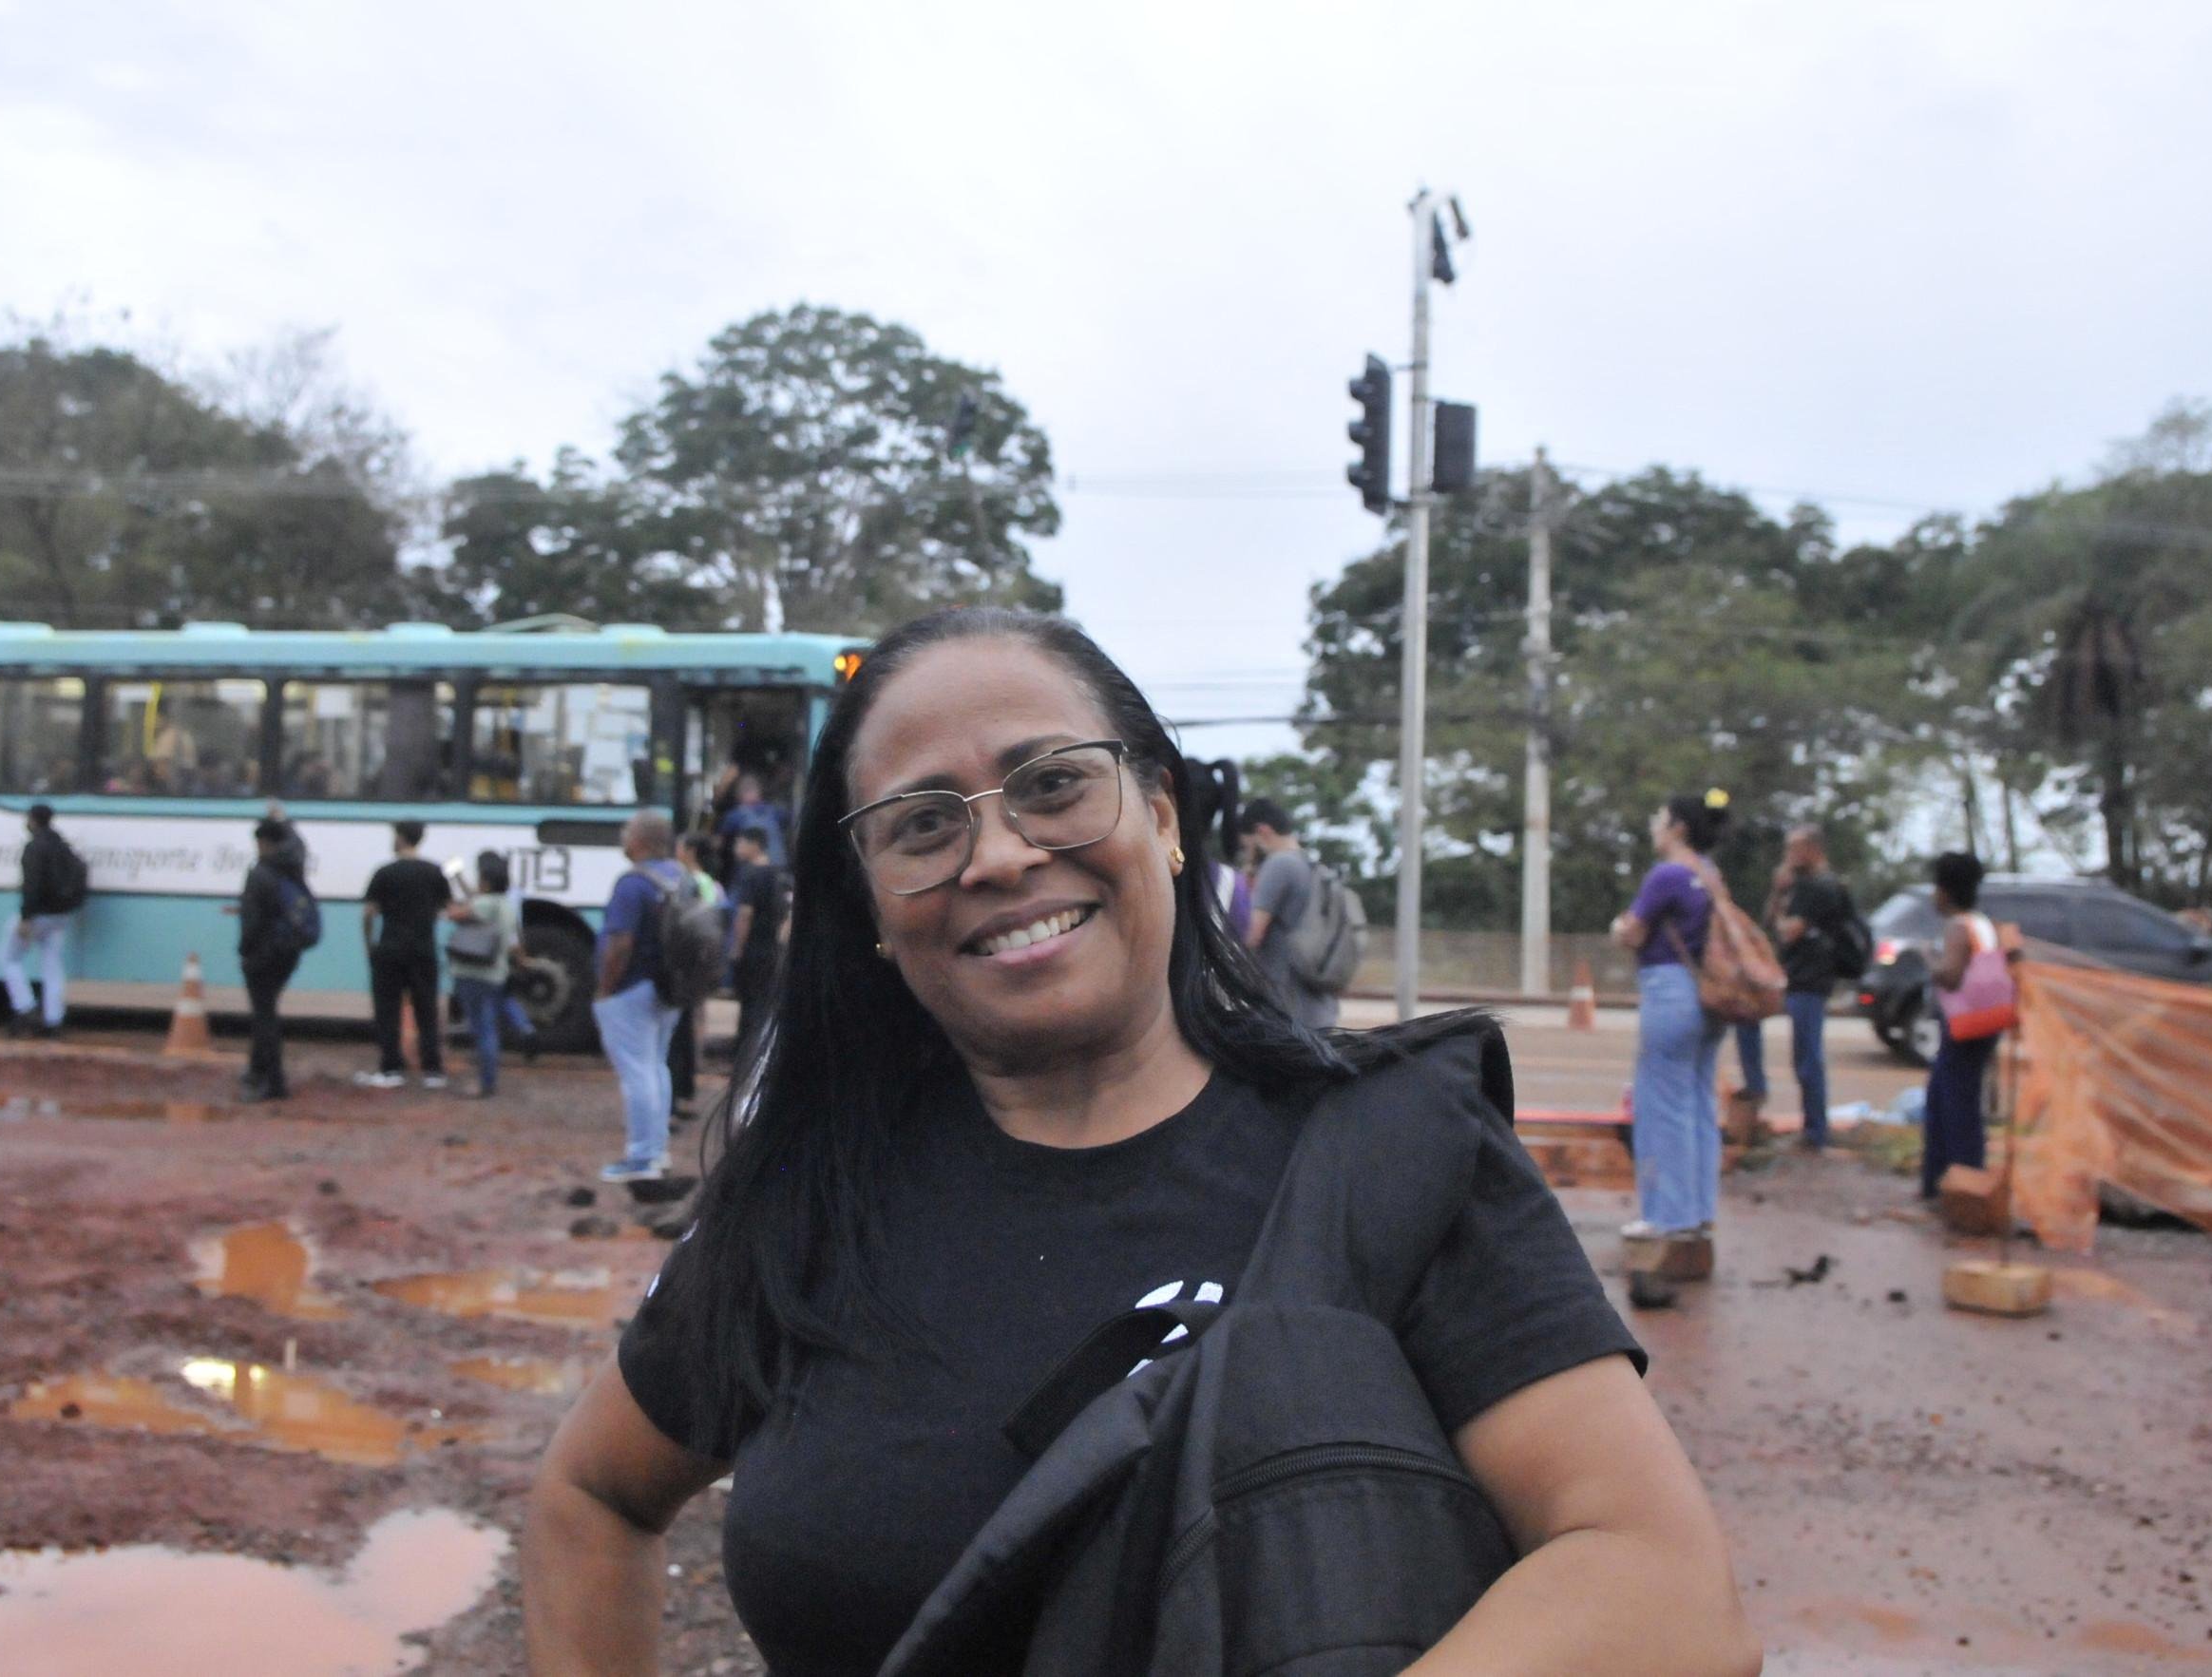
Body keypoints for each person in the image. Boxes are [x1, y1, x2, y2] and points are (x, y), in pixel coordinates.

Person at [523, 607, 1757, 1677]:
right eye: (921, 824)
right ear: (871, 910)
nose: (1000, 853)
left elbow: (1662, 1589)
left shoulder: (1388, 1158)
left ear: (1161, 815)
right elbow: (591, 1496)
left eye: (1053, 784)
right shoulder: (808, 1193)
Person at [1610, 791, 1730, 1245]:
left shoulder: (1667, 875)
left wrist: (1619, 927)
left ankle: (1667, 1217)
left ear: (1678, 827)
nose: (1654, 826)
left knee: (1661, 1107)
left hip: (1670, 991)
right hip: (1710, 996)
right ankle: (1699, 1212)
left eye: (1659, 819)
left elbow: (1633, 932)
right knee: (1698, 1104)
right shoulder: (1710, 874)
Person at [592, 812, 694, 1192]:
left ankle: (642, 1157)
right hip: (669, 987)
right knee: (655, 1068)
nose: (623, 837)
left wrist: (606, 987)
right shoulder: (680, 877)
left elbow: (620, 942)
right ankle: (656, 1150)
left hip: (631, 987)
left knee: (636, 1073)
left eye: (627, 831)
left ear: (641, 840)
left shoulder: (632, 883)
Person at [1922, 850, 2004, 1200]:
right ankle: (1945, 1182)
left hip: (1963, 1026)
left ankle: (1960, 1184)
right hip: (1986, 1023)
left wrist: (1929, 958)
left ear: (1944, 891)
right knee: (1950, 1098)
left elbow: (1951, 975)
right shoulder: (1982, 923)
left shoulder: (1957, 927)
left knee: (1955, 1105)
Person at [1770, 824, 1858, 1151]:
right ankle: (1813, 1127)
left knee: (1807, 1057)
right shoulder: (1812, 886)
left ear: (1813, 850)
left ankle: (1815, 1131)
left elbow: (1786, 931)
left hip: (1810, 978)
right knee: (1805, 1055)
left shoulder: (1816, 888)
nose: (1788, 856)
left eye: (1794, 848)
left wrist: (1782, 902)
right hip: (1806, 977)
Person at [358, 820, 451, 1091]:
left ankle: (391, 1068)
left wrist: (369, 945)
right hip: (423, 948)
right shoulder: (434, 872)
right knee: (426, 1009)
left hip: (390, 947)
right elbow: (446, 907)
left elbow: (369, 913)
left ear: (400, 838)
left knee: (388, 1010)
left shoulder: (384, 873)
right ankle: (433, 1070)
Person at [1238, 798, 1337, 1029]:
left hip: (1285, 1011)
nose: (1247, 853)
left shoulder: (1279, 865)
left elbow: (1251, 934)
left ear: (1262, 832)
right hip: (1319, 1009)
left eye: (1247, 846)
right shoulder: (1315, 867)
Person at [236, 817, 311, 1103]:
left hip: (262, 953)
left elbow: (252, 920)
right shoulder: (293, 868)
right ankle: (257, 1070)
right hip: (288, 952)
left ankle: (273, 1080)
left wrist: (244, 950)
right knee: (267, 1010)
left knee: (264, 1017)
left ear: (263, 842)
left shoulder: (261, 873)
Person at [447, 850, 524, 1100]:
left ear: (487, 882)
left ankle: (485, 1083)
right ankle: (488, 1080)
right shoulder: (507, 905)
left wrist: (450, 903)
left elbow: (455, 915)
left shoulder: (484, 904)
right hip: (495, 974)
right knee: (489, 1028)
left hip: (473, 973)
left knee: (480, 1029)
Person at [0, 804, 79, 1039]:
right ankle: (54, 1020)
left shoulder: (34, 847)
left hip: (38, 915)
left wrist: (26, 917)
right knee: (52, 966)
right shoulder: (62, 846)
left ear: (33, 820)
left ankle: (25, 1009)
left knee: (8, 957)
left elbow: (31, 885)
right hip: (60, 916)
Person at [664, 834, 727, 1115]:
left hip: (687, 964)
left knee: (679, 1033)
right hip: (700, 965)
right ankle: (683, 1091)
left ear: (689, 851)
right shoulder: (708, 882)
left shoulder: (694, 882)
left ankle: (677, 1094)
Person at [725, 825, 787, 1070]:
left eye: (740, 842)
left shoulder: (750, 874)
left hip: (753, 949)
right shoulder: (779, 873)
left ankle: (744, 1059)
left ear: (754, 845)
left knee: (749, 1006)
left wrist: (736, 949)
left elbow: (745, 914)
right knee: (764, 1004)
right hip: (772, 949)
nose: (736, 848)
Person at [715, 772, 791, 882]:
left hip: (755, 869)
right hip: (777, 865)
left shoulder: (736, 815)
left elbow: (719, 842)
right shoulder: (775, 812)